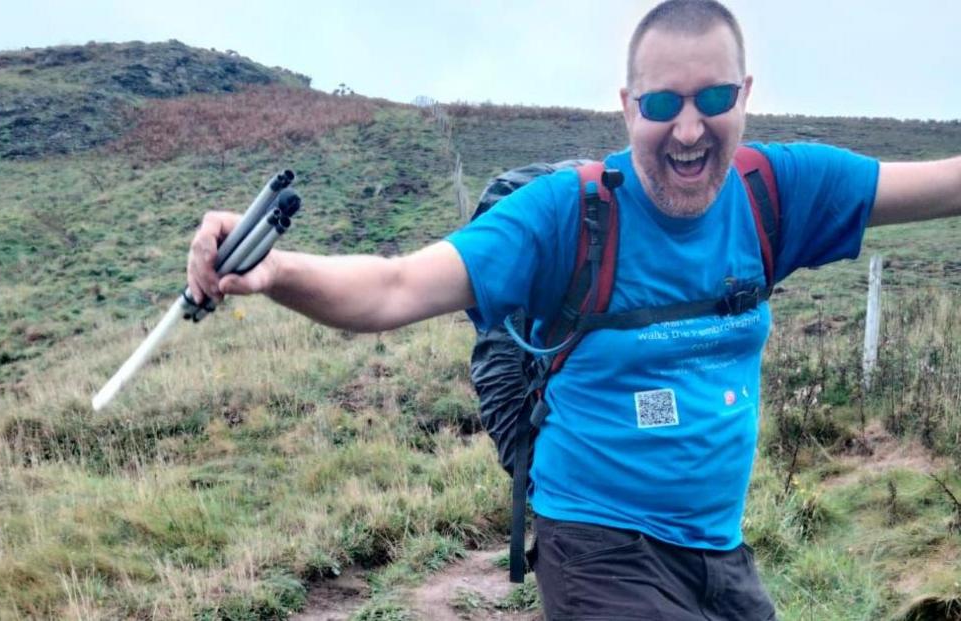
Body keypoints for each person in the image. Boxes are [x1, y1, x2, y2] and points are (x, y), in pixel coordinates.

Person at [187, 1, 961, 617]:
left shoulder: (777, 190)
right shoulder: (569, 213)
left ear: (745, 96)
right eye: (662, 102)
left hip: (717, 549)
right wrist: (274, 269)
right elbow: (396, 288)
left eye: (714, 98)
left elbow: (940, 182)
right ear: (628, 107)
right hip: (596, 544)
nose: (689, 129)